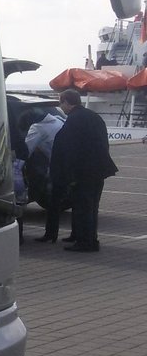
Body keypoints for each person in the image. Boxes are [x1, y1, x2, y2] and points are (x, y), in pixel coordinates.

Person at [51, 89, 118, 252]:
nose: (62, 107)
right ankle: (86, 237)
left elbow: (71, 150)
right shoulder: (94, 116)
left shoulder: (74, 120)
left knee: (83, 206)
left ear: (67, 102)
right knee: (92, 206)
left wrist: (69, 174)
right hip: (99, 169)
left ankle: (85, 242)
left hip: (83, 171)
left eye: (61, 103)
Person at [25, 111, 65, 242]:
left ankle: (50, 235)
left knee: (53, 202)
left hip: (55, 167)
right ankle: (70, 235)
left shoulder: (37, 128)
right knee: (57, 201)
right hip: (66, 165)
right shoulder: (58, 120)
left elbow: (26, 151)